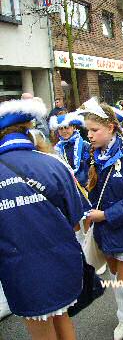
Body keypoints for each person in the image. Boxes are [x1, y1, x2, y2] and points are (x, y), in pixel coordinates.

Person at [0, 98, 84, 340]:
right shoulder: (54, 164)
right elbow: (76, 220)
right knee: (62, 318)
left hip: (20, 271)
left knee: (40, 331)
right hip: (61, 261)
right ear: (29, 131)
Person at [80, 101, 123, 340]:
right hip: (104, 230)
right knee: (114, 277)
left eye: (94, 130)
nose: (89, 135)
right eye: (87, 130)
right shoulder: (93, 156)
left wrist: (106, 215)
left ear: (111, 127)